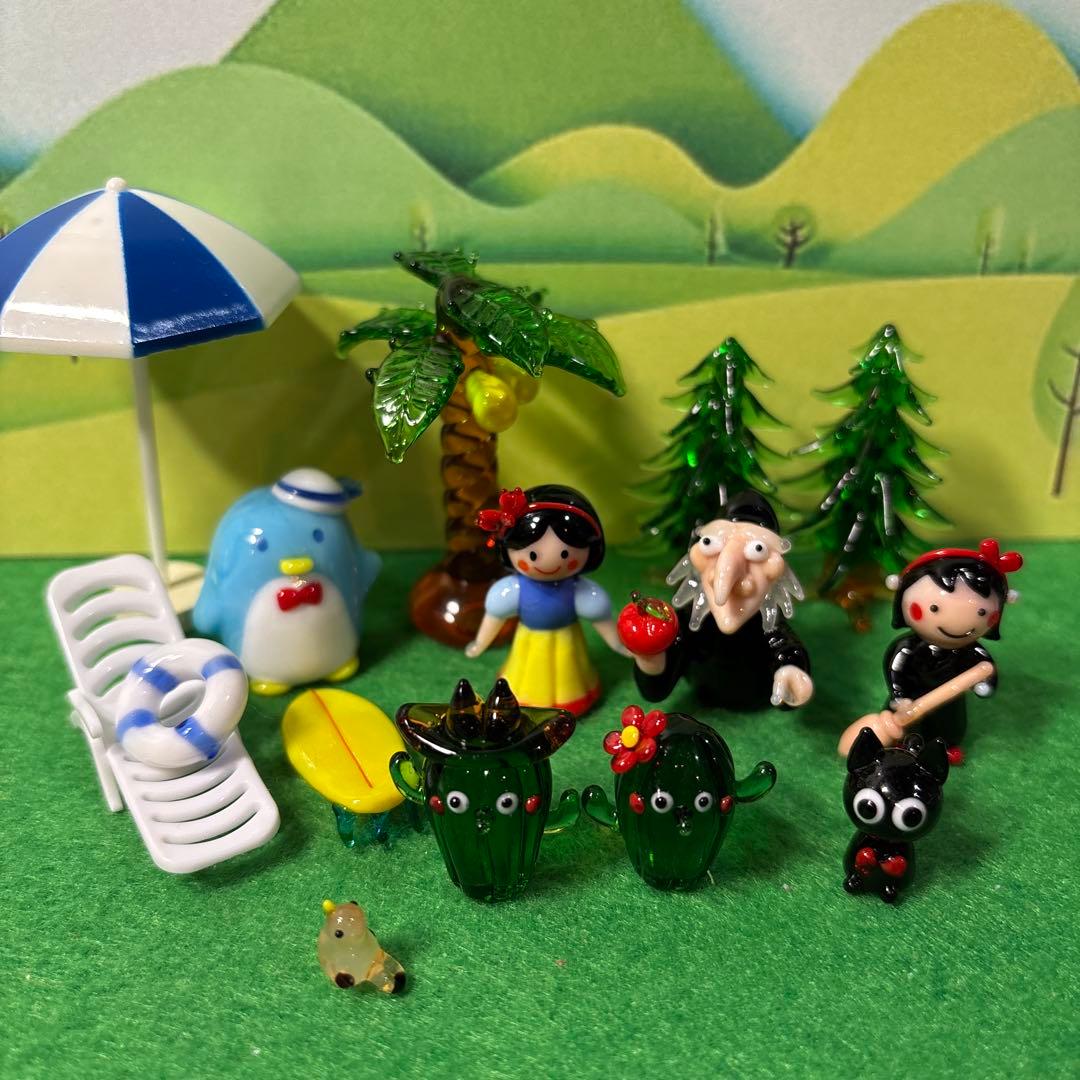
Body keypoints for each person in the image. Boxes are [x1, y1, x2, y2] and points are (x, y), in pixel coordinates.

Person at [627, 491, 812, 711]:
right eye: (709, 544)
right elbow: (660, 683)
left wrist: (790, 669)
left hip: (755, 695)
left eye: (758, 550)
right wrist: (651, 658)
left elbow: (782, 643)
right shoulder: (690, 618)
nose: (728, 578)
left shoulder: (766, 620)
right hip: (704, 691)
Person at [465, 485, 626, 715]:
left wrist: (617, 644)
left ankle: (573, 699)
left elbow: (600, 617)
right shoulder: (512, 590)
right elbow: (494, 616)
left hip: (566, 642)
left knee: (568, 671)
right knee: (527, 673)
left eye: (565, 554)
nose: (549, 564)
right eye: (532, 555)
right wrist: (480, 643)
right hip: (529, 640)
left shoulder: (580, 591)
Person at [883, 539, 1022, 765]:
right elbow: (895, 668)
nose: (956, 623)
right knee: (904, 725)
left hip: (949, 700)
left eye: (981, 613)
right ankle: (903, 743)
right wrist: (899, 694)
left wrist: (986, 683)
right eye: (934, 608)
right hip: (910, 697)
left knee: (949, 725)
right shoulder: (909, 648)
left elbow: (986, 668)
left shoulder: (972, 651)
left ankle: (944, 746)